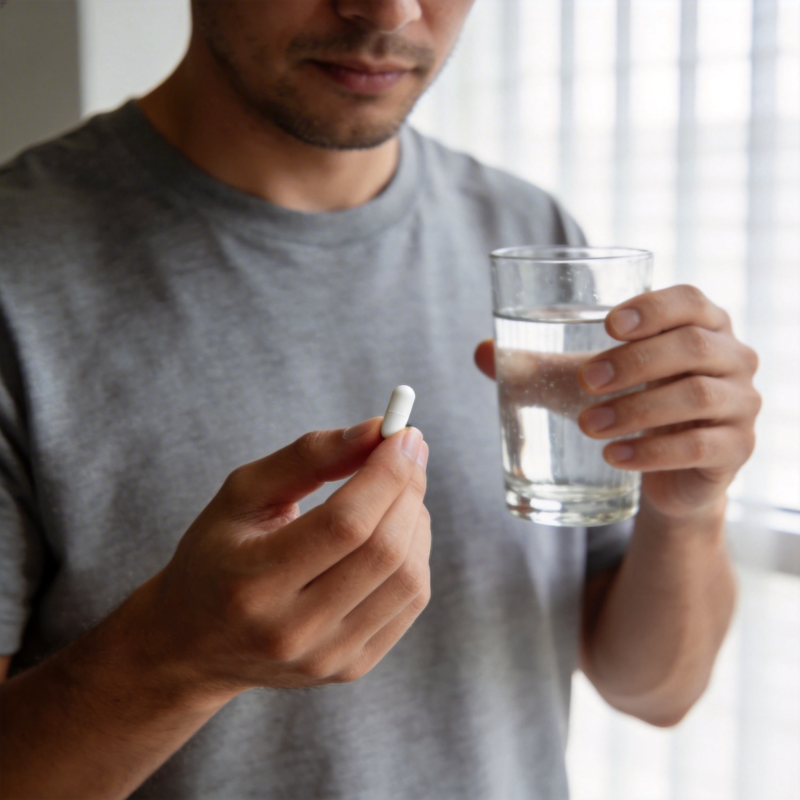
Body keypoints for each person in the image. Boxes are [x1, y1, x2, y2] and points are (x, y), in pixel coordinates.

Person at [0, 1, 761, 798]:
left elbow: (655, 689)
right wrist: (175, 657)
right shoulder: (17, 274)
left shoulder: (529, 237)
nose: (391, 10)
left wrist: (686, 510)